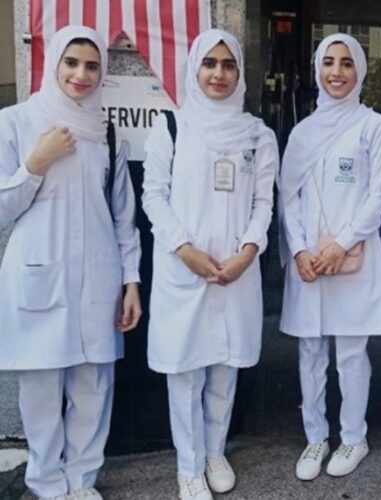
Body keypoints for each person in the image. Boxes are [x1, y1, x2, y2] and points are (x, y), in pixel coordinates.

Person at [0, 26, 141, 500]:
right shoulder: (16, 123)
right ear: (54, 63)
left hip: (99, 277)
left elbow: (123, 218)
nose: (81, 74)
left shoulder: (106, 133)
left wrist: (131, 282)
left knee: (93, 386)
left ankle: (81, 482)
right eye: (72, 62)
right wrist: (34, 164)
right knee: (41, 391)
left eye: (92, 65)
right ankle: (45, 483)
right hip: (39, 275)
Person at [142, 29, 278, 500]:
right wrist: (184, 249)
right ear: (194, 69)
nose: (218, 73)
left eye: (228, 64)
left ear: (240, 72)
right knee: (185, 371)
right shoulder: (171, 127)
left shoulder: (257, 135)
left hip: (236, 270)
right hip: (184, 268)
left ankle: (215, 451)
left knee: (225, 366)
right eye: (209, 63)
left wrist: (248, 251)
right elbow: (153, 196)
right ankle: (189, 465)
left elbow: (264, 201)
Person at [279, 33, 381, 481]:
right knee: (310, 351)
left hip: (351, 257)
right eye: (328, 62)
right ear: (317, 69)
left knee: (350, 352)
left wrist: (341, 243)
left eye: (347, 62)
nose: (336, 72)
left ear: (359, 70)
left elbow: (380, 195)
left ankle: (353, 437)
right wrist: (299, 249)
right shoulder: (303, 132)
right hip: (309, 260)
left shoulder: (373, 127)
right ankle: (315, 437)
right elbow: (288, 196)